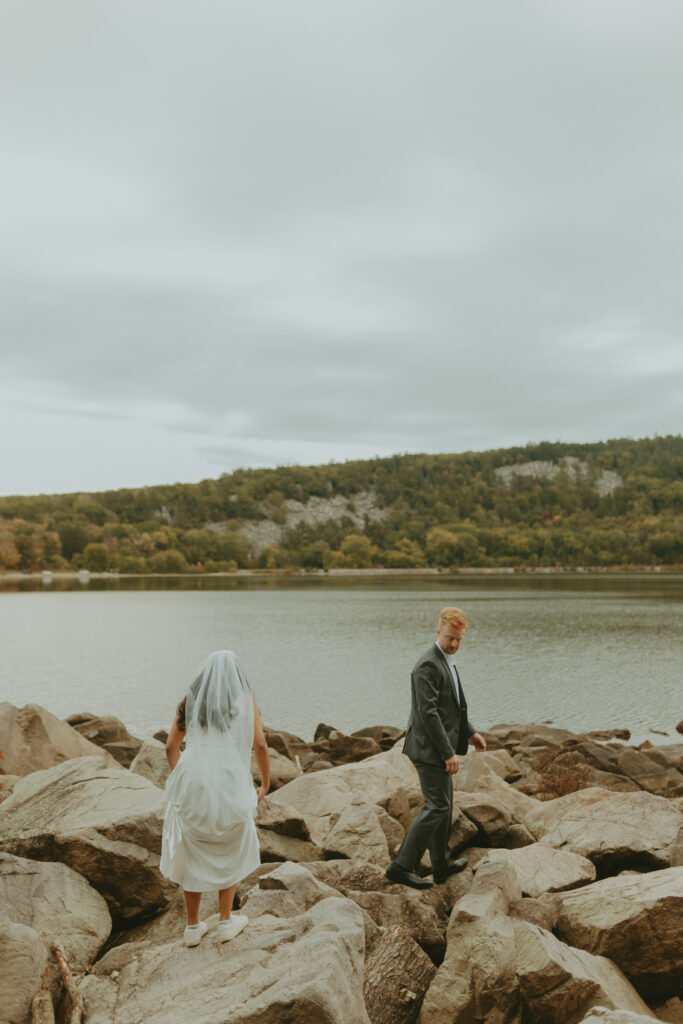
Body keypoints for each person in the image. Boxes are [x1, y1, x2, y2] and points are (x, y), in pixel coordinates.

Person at [160, 650, 270, 946]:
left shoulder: (190, 703)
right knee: (231, 842)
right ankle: (224, 921)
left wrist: (181, 777)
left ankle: (193, 927)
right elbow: (260, 745)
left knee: (191, 846)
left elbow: (171, 746)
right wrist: (265, 784)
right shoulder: (245, 702)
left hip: (192, 777)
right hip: (229, 778)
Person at [385, 606, 487, 889]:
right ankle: (401, 866)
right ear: (438, 631)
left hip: (438, 746)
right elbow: (428, 714)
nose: (454, 644)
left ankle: (440, 863)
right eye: (449, 638)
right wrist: (447, 752)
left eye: (458, 639)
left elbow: (451, 707)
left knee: (445, 804)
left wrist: (470, 733)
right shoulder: (426, 665)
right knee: (437, 806)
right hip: (428, 749)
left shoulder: (447, 660)